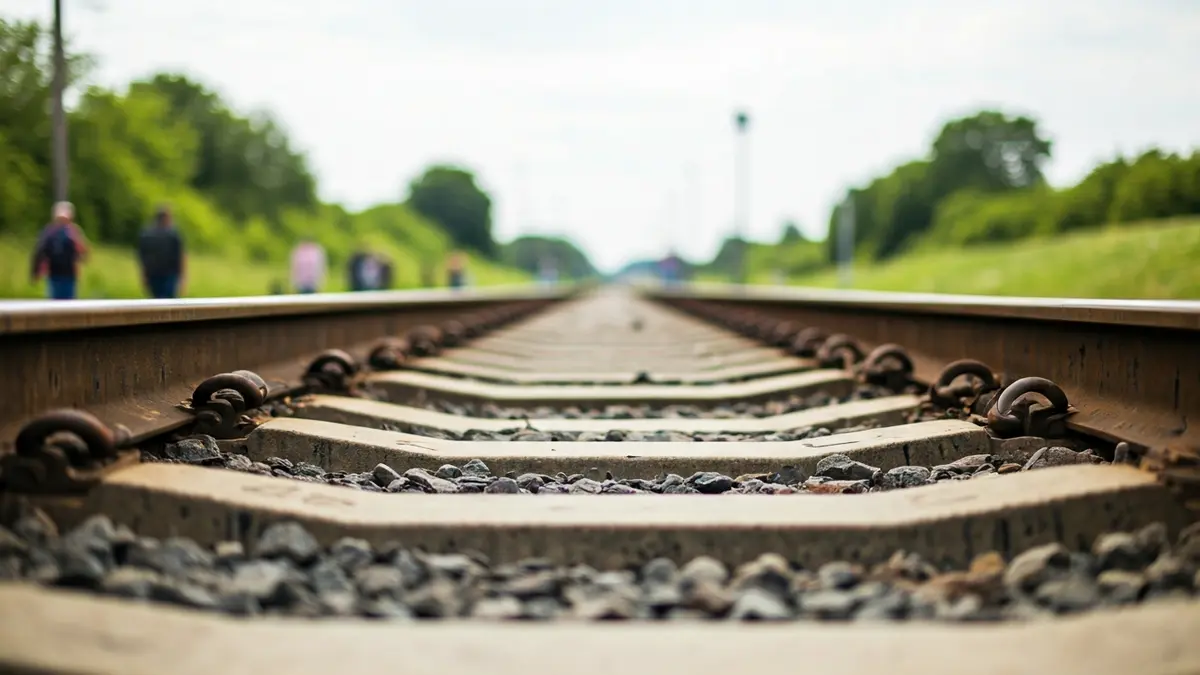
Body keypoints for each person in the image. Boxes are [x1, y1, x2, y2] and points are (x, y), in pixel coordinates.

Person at [30, 201, 89, 300]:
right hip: (54, 274)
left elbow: (83, 251)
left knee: (66, 303)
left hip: (68, 274)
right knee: (56, 302)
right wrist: (36, 271)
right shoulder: (51, 231)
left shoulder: (72, 231)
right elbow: (40, 251)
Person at [137, 204, 186, 299]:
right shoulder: (173, 234)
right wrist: (183, 277)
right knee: (168, 300)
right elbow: (181, 256)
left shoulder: (146, 234)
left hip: (154, 273)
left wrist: (143, 274)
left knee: (157, 300)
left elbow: (142, 257)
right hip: (168, 274)